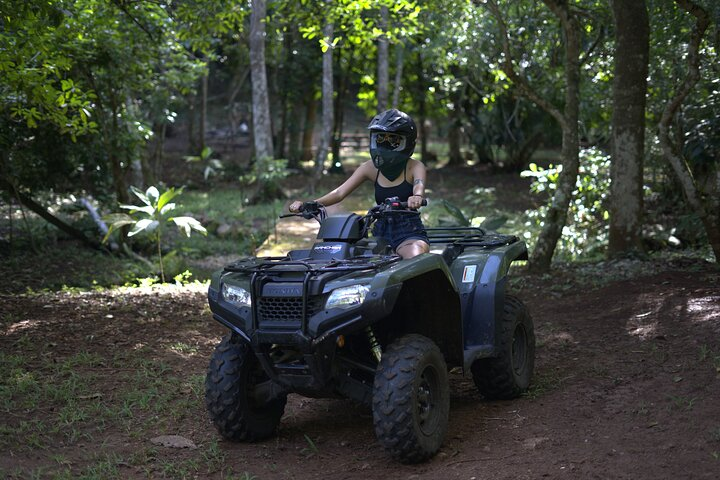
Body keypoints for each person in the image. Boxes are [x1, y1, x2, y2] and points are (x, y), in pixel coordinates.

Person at [289, 109, 430, 259]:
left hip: (408, 231)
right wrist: (311, 204)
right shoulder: (370, 168)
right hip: (379, 231)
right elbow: (339, 193)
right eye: (381, 138)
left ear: (407, 142)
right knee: (351, 263)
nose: (386, 144)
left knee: (412, 258)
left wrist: (416, 197)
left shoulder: (414, 166)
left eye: (393, 140)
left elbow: (419, 186)